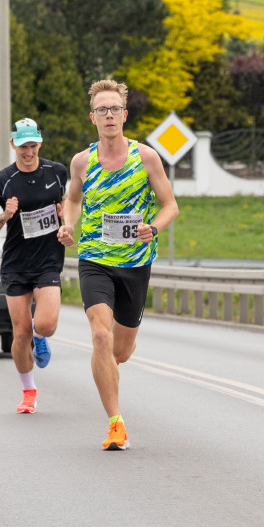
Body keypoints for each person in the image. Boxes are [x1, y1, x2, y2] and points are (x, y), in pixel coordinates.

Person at [57, 80, 179, 450]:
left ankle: (109, 366)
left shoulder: (146, 158)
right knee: (99, 335)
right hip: (95, 258)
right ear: (92, 117)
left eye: (114, 109)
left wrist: (152, 228)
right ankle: (115, 423)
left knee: (120, 351)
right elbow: (73, 200)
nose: (108, 115)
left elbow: (170, 205)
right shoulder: (82, 161)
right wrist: (68, 224)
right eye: (101, 110)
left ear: (124, 115)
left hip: (135, 262)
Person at [0, 118, 68, 414]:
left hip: (48, 262)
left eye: (32, 146)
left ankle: (40, 337)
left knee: (45, 324)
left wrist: (65, 219)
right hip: (16, 264)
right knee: (19, 336)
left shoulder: (57, 173)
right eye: (22, 146)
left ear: (40, 143)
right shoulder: (2, 180)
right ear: (13, 145)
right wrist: (5, 216)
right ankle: (28, 392)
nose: (28, 152)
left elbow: (68, 209)